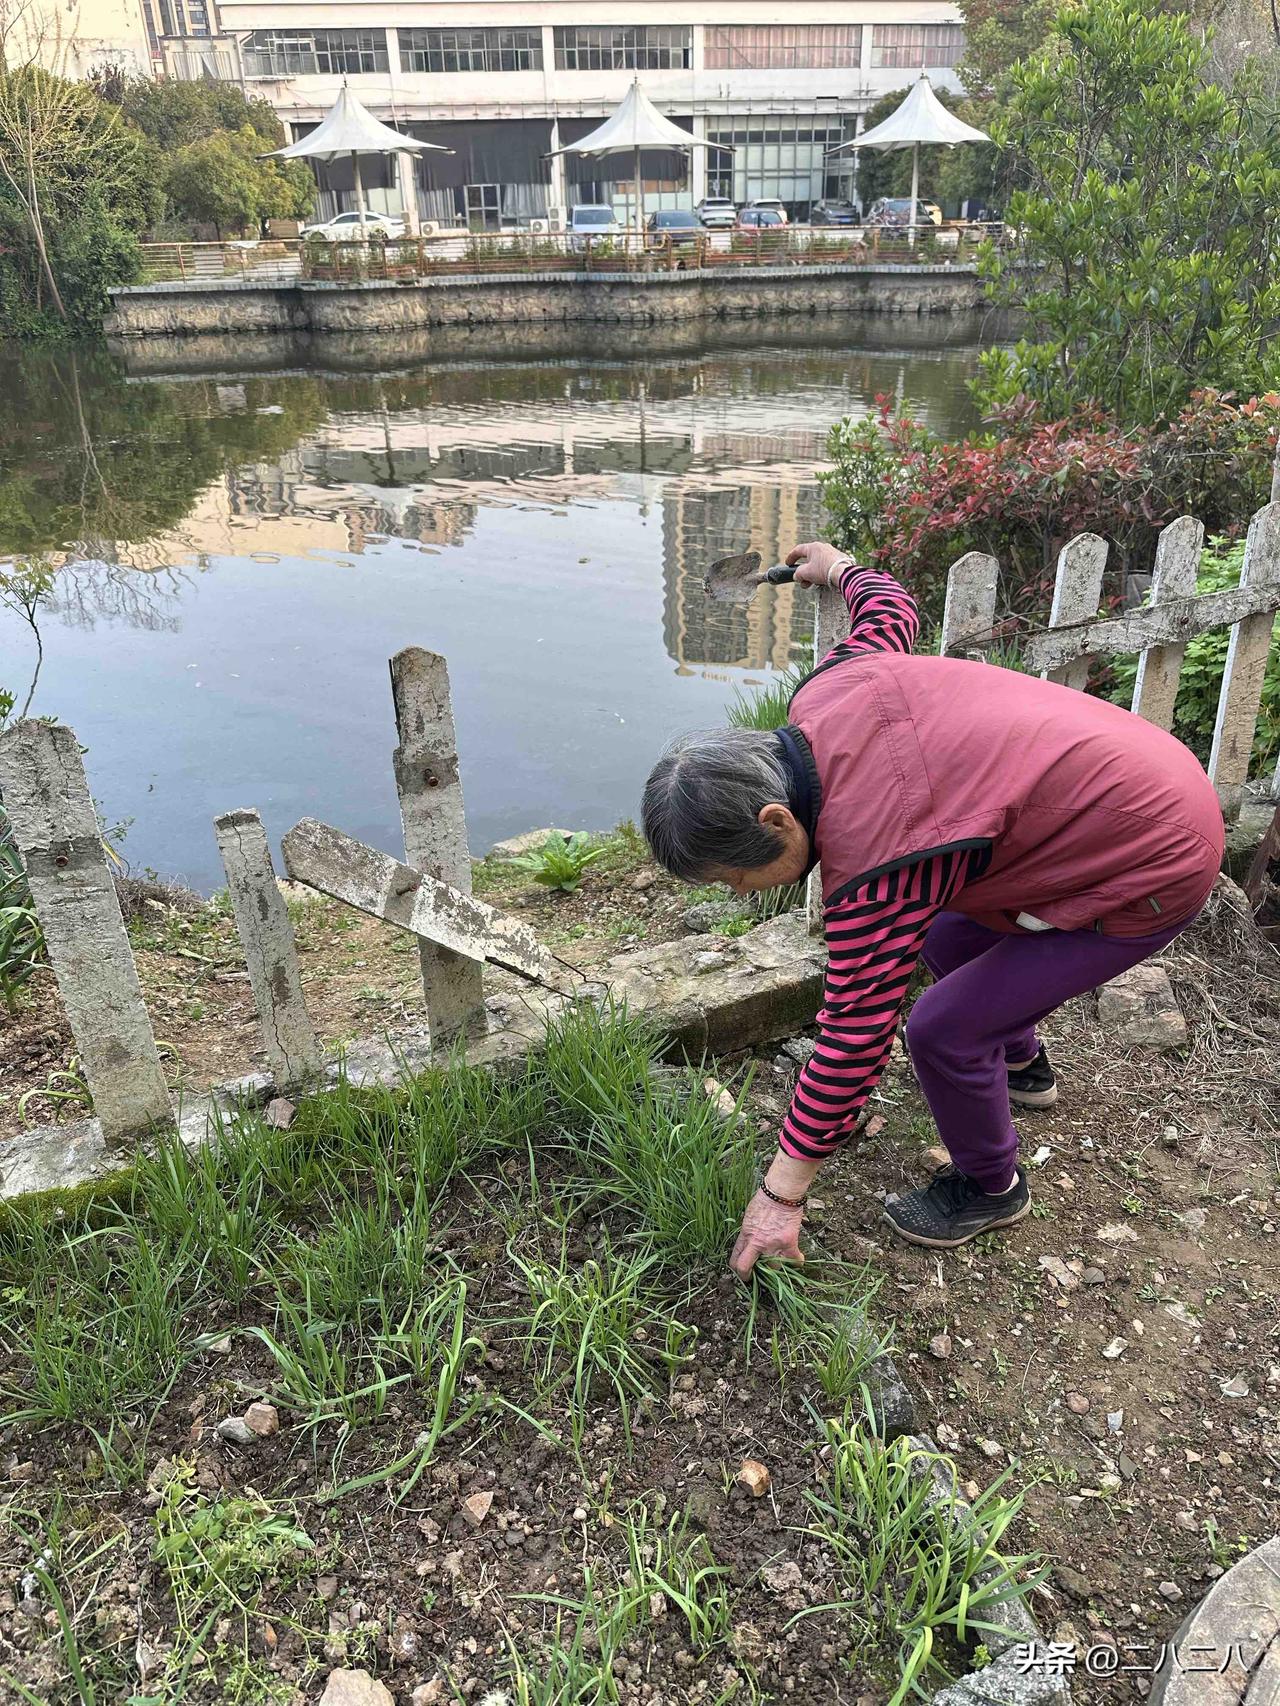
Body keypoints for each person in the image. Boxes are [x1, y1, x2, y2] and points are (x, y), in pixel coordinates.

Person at [641, 542, 1224, 1274]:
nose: (740, 895)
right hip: (1141, 777)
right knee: (948, 938)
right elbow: (892, 612)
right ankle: (1024, 1070)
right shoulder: (829, 692)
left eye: (735, 879)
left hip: (1155, 860)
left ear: (776, 822)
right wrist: (841, 568)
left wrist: (780, 1196)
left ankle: (992, 1186)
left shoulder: (876, 859)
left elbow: (855, 1033)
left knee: (941, 1029)